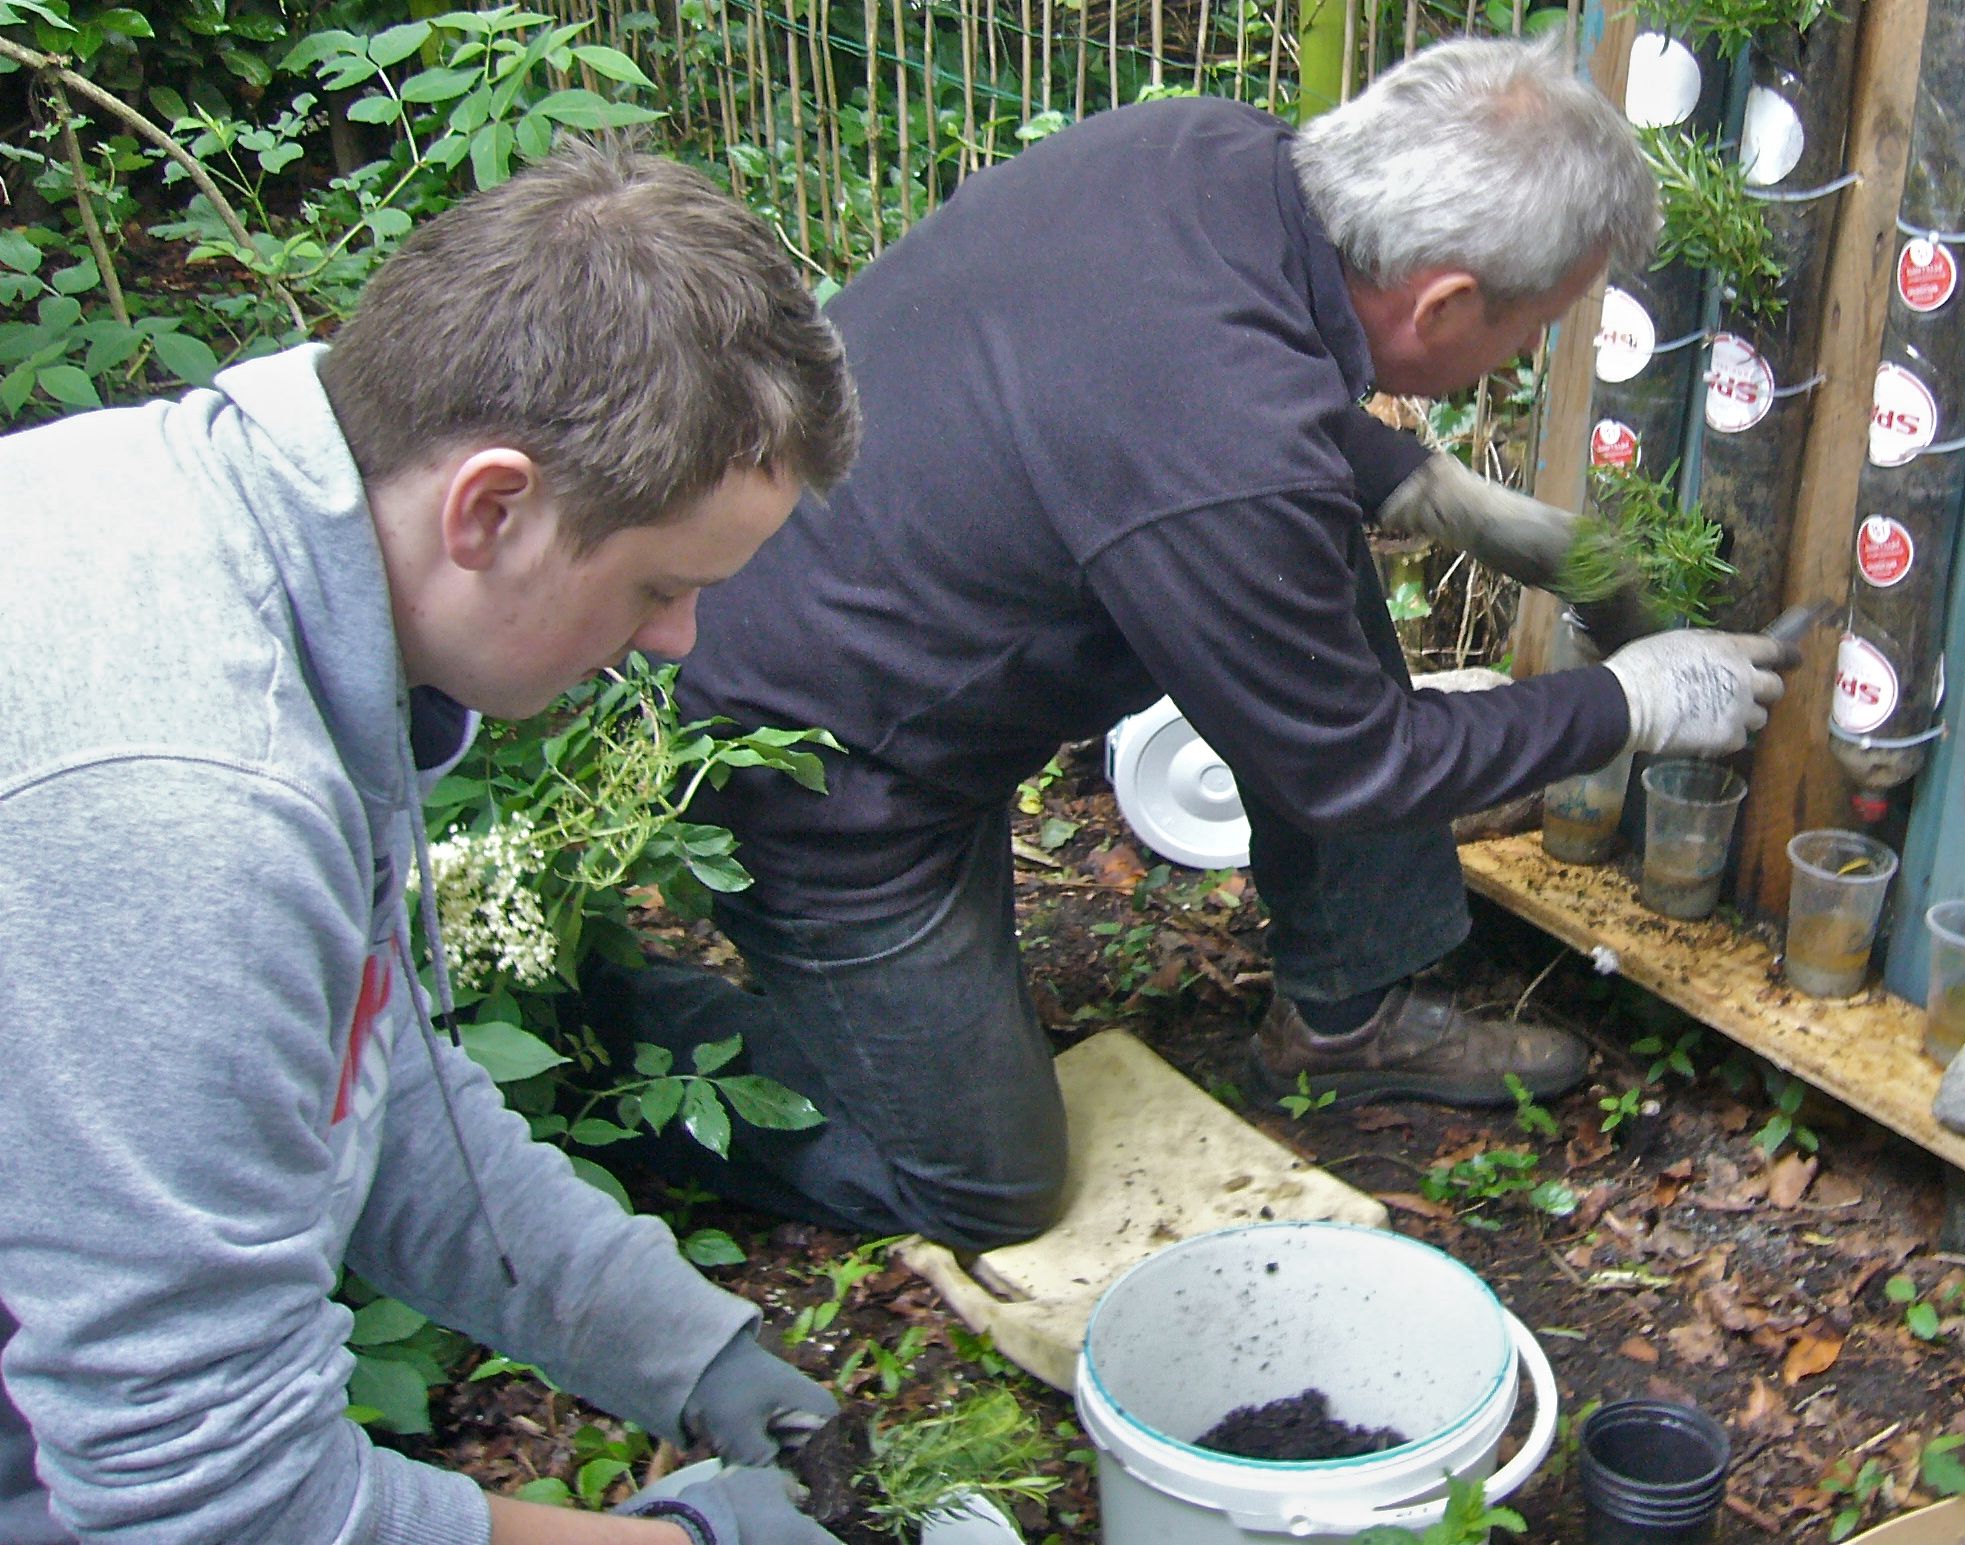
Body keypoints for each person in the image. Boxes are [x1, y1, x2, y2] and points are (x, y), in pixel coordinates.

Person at [592, 35, 1796, 1255]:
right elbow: (1347, 762)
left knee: (1295, 543)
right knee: (982, 1186)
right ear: (1438, 303)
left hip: (856, 605)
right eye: (1534, 325)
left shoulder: (1205, 154)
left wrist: (1437, 493)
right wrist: (1629, 702)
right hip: (817, 760)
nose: (1530, 355)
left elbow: (1211, 403)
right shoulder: (1231, 454)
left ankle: (1345, 1015)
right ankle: (589, 1033)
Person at [0, 141, 862, 1545]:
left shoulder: (243, 538)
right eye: (658, 583)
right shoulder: (192, 809)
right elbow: (203, 1505)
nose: (674, 641)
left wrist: (682, 1349)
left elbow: (365, 1082)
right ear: (492, 507)